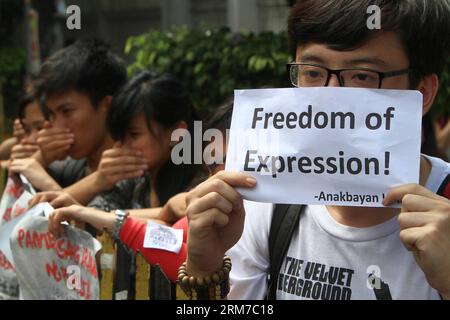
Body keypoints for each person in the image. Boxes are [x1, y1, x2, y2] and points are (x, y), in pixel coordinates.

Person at [179, 0, 449, 300]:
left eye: (362, 75)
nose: (327, 97)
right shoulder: (262, 201)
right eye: (312, 72)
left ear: (422, 93)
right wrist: (203, 269)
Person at [41, 101, 234, 283]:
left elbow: (175, 250)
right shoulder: (136, 180)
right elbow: (170, 237)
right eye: (119, 137)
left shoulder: (202, 191)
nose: (121, 147)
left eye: (133, 134)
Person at [31, 39, 127, 189]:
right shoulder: (66, 170)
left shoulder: (139, 175)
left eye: (66, 111)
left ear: (107, 105)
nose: (57, 127)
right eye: (52, 114)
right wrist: (40, 158)